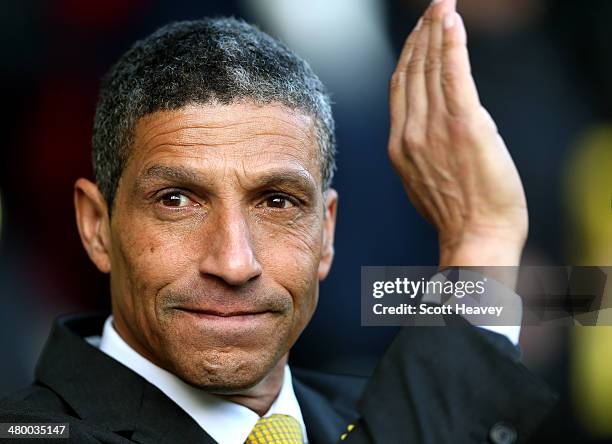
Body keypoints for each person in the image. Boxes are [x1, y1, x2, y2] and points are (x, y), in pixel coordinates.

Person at [0, 0, 556, 442]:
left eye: (277, 202)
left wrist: (498, 250)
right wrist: (480, 244)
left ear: (327, 232)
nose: (235, 261)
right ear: (96, 226)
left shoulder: (370, 412)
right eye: (177, 200)